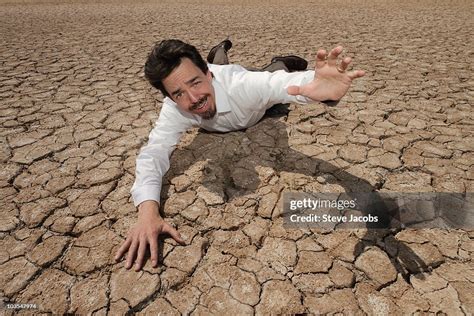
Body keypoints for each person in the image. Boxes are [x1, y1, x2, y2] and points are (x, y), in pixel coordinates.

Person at [114, 39, 365, 271]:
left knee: (275, 71)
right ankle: (219, 50)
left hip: (255, 101)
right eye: (178, 93)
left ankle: (277, 59)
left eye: (195, 82)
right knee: (221, 68)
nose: (193, 98)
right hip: (220, 77)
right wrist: (147, 211)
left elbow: (284, 85)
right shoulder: (175, 109)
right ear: (169, 97)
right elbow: (154, 153)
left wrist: (322, 88)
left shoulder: (244, 86)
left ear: (207, 74)